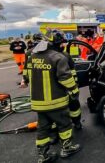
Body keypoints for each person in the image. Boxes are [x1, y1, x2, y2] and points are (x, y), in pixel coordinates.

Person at [23, 30, 81, 162]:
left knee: (43, 129)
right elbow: (65, 78)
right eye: (61, 43)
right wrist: (73, 91)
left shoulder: (33, 57)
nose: (62, 46)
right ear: (57, 43)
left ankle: (43, 155)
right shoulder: (58, 57)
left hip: (38, 103)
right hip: (56, 101)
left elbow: (26, 76)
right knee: (64, 125)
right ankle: (67, 148)